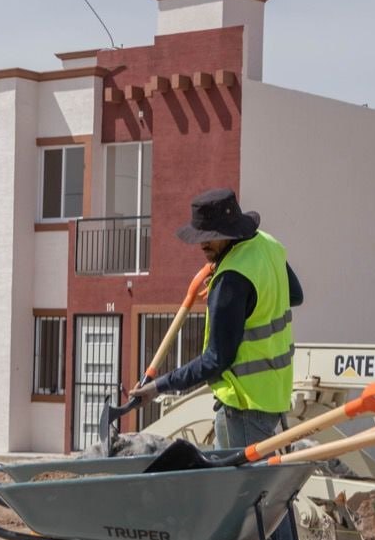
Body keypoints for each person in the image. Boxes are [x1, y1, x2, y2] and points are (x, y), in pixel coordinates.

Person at [128, 187, 303, 450]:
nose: (203, 244)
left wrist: (159, 387)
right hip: (273, 396)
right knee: (257, 488)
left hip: (243, 405)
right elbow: (295, 295)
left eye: (212, 236)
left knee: (238, 490)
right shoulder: (268, 245)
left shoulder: (231, 279)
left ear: (230, 233)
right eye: (201, 236)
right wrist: (250, 298)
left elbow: (215, 360)